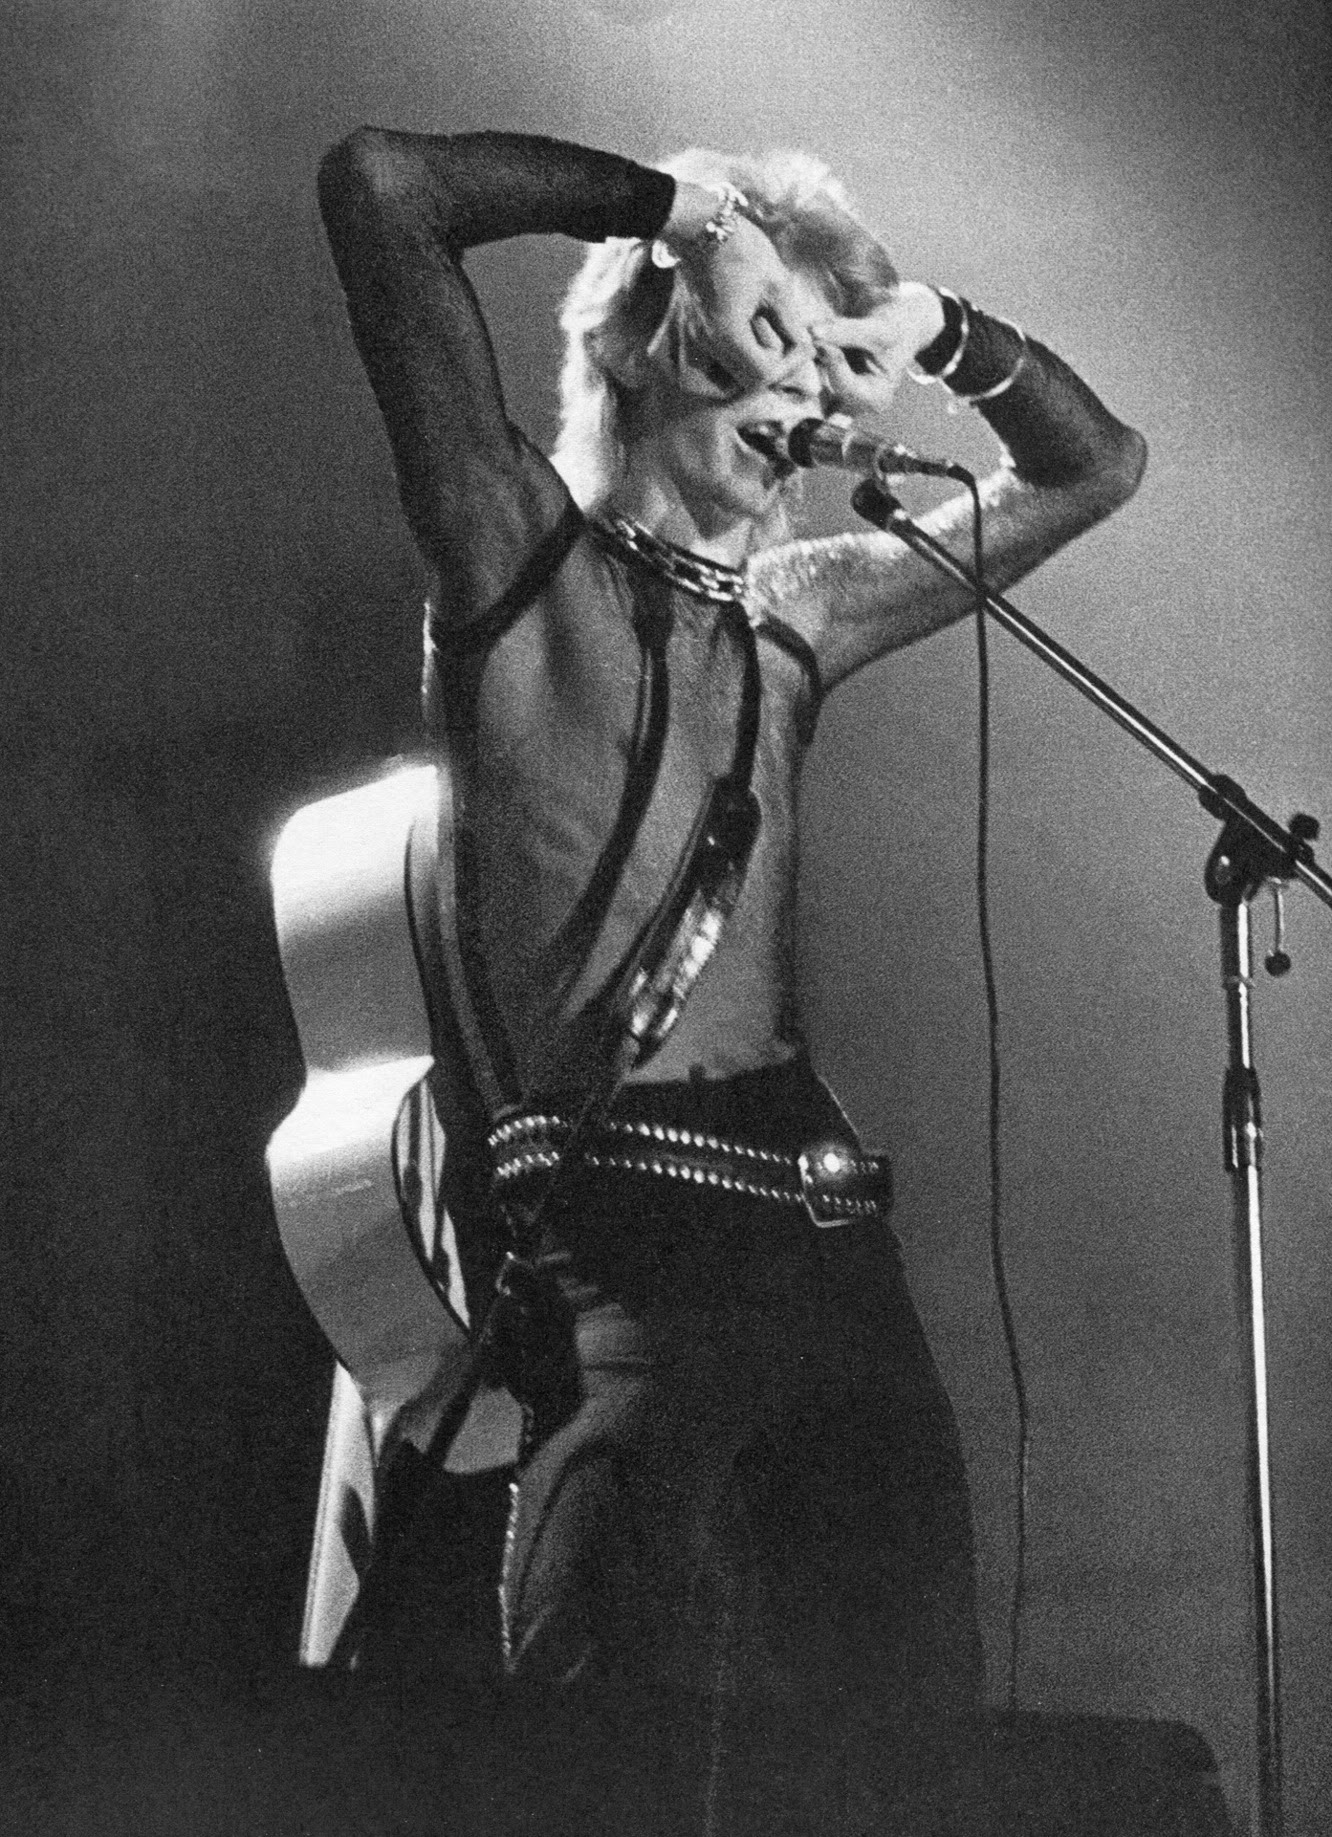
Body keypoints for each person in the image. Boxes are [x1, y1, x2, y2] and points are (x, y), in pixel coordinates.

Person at [316, 127, 1147, 1834]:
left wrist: (939, 330)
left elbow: (1096, 467)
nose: (807, 400)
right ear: (654, 342)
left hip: (835, 1254)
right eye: (772, 342)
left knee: (912, 1759)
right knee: (617, 1757)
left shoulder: (797, 612)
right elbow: (382, 189)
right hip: (630, 1251)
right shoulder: (515, 558)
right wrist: (681, 215)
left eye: (825, 367)